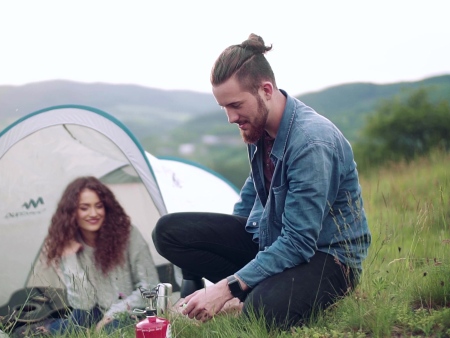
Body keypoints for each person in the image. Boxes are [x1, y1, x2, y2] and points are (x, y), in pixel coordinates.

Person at [152, 33, 371, 328]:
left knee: (260, 310)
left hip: (327, 257)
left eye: (235, 105)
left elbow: (299, 242)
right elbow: (250, 196)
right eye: (224, 108)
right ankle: (246, 290)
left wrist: (226, 288)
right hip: (275, 240)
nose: (231, 117)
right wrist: (228, 260)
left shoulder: (311, 142)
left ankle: (249, 297)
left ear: (266, 90)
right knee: (168, 231)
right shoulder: (258, 126)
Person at [34, 176, 159, 335]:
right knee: (75, 324)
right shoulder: (69, 243)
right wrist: (70, 257)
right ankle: (40, 330)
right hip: (93, 312)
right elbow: (83, 303)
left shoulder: (128, 234)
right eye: (84, 208)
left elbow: (151, 287)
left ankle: (49, 329)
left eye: (99, 206)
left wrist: (113, 313)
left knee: (108, 331)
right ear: (72, 212)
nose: (93, 213)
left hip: (135, 311)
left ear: (106, 208)